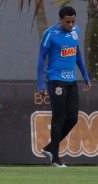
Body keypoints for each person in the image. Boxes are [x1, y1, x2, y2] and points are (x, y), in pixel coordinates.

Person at [37, 6, 91, 167]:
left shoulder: (76, 31)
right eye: (67, 21)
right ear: (60, 20)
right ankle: (55, 158)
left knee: (73, 118)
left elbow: (77, 54)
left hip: (72, 81)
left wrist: (85, 76)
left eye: (73, 21)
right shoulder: (50, 34)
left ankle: (48, 148)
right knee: (59, 118)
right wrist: (41, 83)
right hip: (56, 80)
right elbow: (41, 58)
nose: (71, 24)